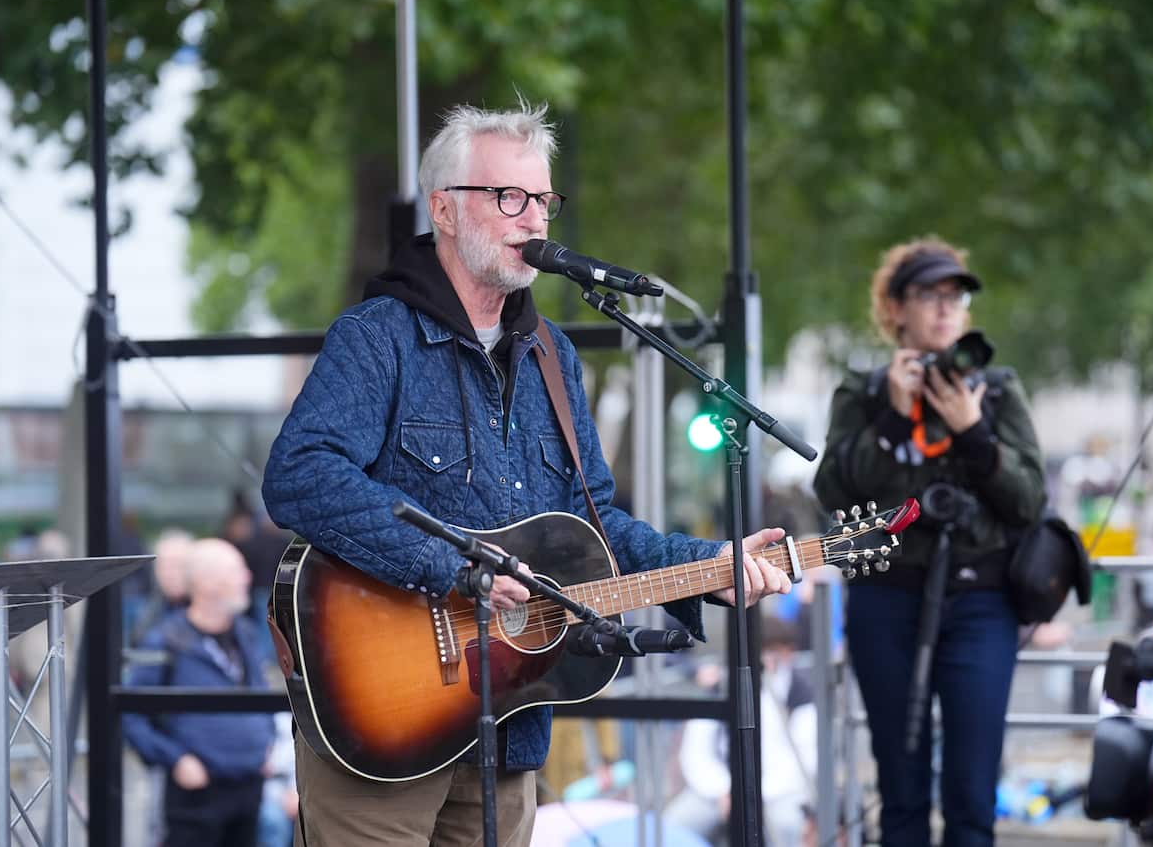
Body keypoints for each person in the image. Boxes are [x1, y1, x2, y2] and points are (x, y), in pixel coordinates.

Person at [261, 99, 792, 846]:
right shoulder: (377, 337)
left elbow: (596, 525)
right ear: (444, 209)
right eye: (508, 197)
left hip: (507, 733)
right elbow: (300, 475)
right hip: (379, 729)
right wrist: (455, 567)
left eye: (542, 199)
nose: (533, 218)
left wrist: (709, 565)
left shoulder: (554, 356)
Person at [813, 237, 1046, 847]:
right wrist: (892, 419)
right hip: (886, 600)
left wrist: (974, 434)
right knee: (901, 790)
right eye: (928, 296)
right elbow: (835, 496)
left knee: (972, 793)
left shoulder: (994, 391)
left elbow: (1029, 502)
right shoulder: (863, 393)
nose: (946, 309)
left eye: (956, 296)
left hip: (979, 602)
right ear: (895, 310)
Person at [122, 538, 275, 847]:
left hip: (249, 786)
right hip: (196, 797)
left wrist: (268, 743)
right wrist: (175, 759)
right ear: (205, 583)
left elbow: (260, 691)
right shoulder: (165, 640)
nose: (247, 577)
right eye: (236, 570)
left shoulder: (244, 633)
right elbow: (129, 711)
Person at [665, 619, 816, 846]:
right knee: (675, 825)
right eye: (761, 651)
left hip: (778, 793)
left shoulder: (800, 694)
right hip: (719, 791)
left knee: (787, 825)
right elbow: (696, 752)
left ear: (788, 653)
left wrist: (754, 795)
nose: (765, 659)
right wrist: (727, 790)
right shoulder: (722, 686)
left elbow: (802, 762)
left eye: (773, 651)